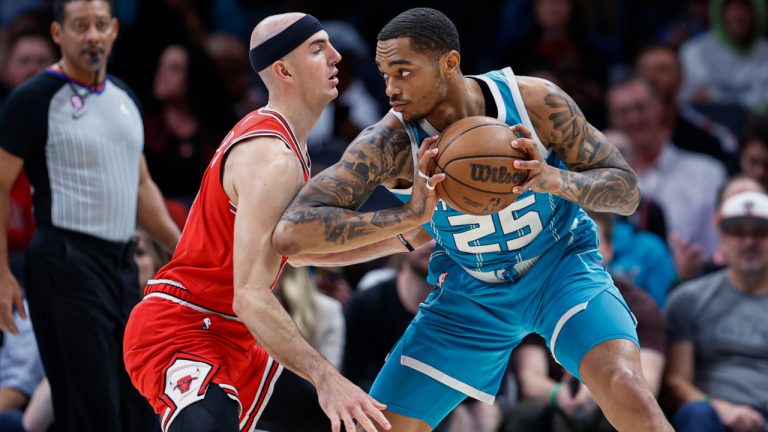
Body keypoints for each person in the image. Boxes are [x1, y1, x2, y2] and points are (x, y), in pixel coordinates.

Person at [274, 7, 672, 432]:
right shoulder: (387, 143)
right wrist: (410, 217)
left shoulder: (535, 102)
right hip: (470, 292)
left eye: (403, 72)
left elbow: (626, 192)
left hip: (561, 269)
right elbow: (291, 235)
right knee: (379, 427)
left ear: (449, 63)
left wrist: (553, 179)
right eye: (385, 73)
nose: (390, 88)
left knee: (627, 386)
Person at [122, 12, 423, 432]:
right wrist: (326, 377)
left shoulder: (287, 145)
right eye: (318, 49)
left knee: (355, 424)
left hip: (234, 332)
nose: (336, 56)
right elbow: (248, 295)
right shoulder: (271, 157)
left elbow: (298, 253)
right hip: (183, 326)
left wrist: (405, 238)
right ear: (284, 70)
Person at [0, 1, 182, 431]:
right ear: (58, 34)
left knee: (139, 404)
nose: (92, 36)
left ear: (115, 30)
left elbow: (141, 187)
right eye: (80, 26)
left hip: (121, 264)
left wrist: (183, 249)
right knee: (91, 410)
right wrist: (2, 272)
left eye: (100, 25)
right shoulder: (33, 99)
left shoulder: (124, 98)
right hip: (65, 263)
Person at [505, 211, 666, 432]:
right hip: (556, 403)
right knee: (529, 414)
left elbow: (649, 383)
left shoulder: (641, 305)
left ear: (608, 250)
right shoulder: (535, 299)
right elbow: (529, 378)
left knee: (623, 410)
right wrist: (557, 394)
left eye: (588, 239)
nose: (577, 248)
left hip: (610, 399)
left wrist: (599, 387)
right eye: (568, 240)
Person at [664, 190, 768, 432]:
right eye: (737, 232)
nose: (749, 241)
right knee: (696, 413)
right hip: (711, 414)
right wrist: (722, 409)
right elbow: (676, 382)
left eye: (760, 233)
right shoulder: (688, 299)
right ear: (721, 239)